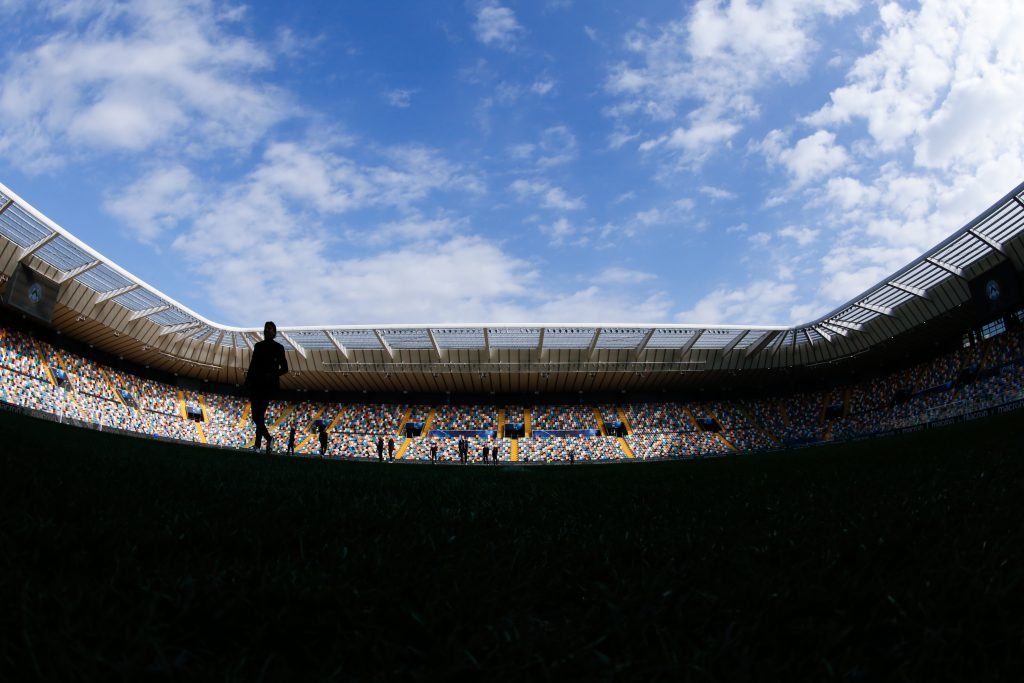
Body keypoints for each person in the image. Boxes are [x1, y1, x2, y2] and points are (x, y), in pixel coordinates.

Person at [245, 321, 288, 454]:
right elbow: (252, 366)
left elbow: (285, 368)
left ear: (274, 332)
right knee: (255, 417)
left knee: (259, 416)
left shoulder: (279, 348)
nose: (267, 330)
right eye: (266, 328)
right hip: (256, 384)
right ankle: (269, 439)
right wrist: (247, 382)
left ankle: (258, 446)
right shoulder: (258, 346)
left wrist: (272, 375)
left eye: (270, 329)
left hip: (268, 386)